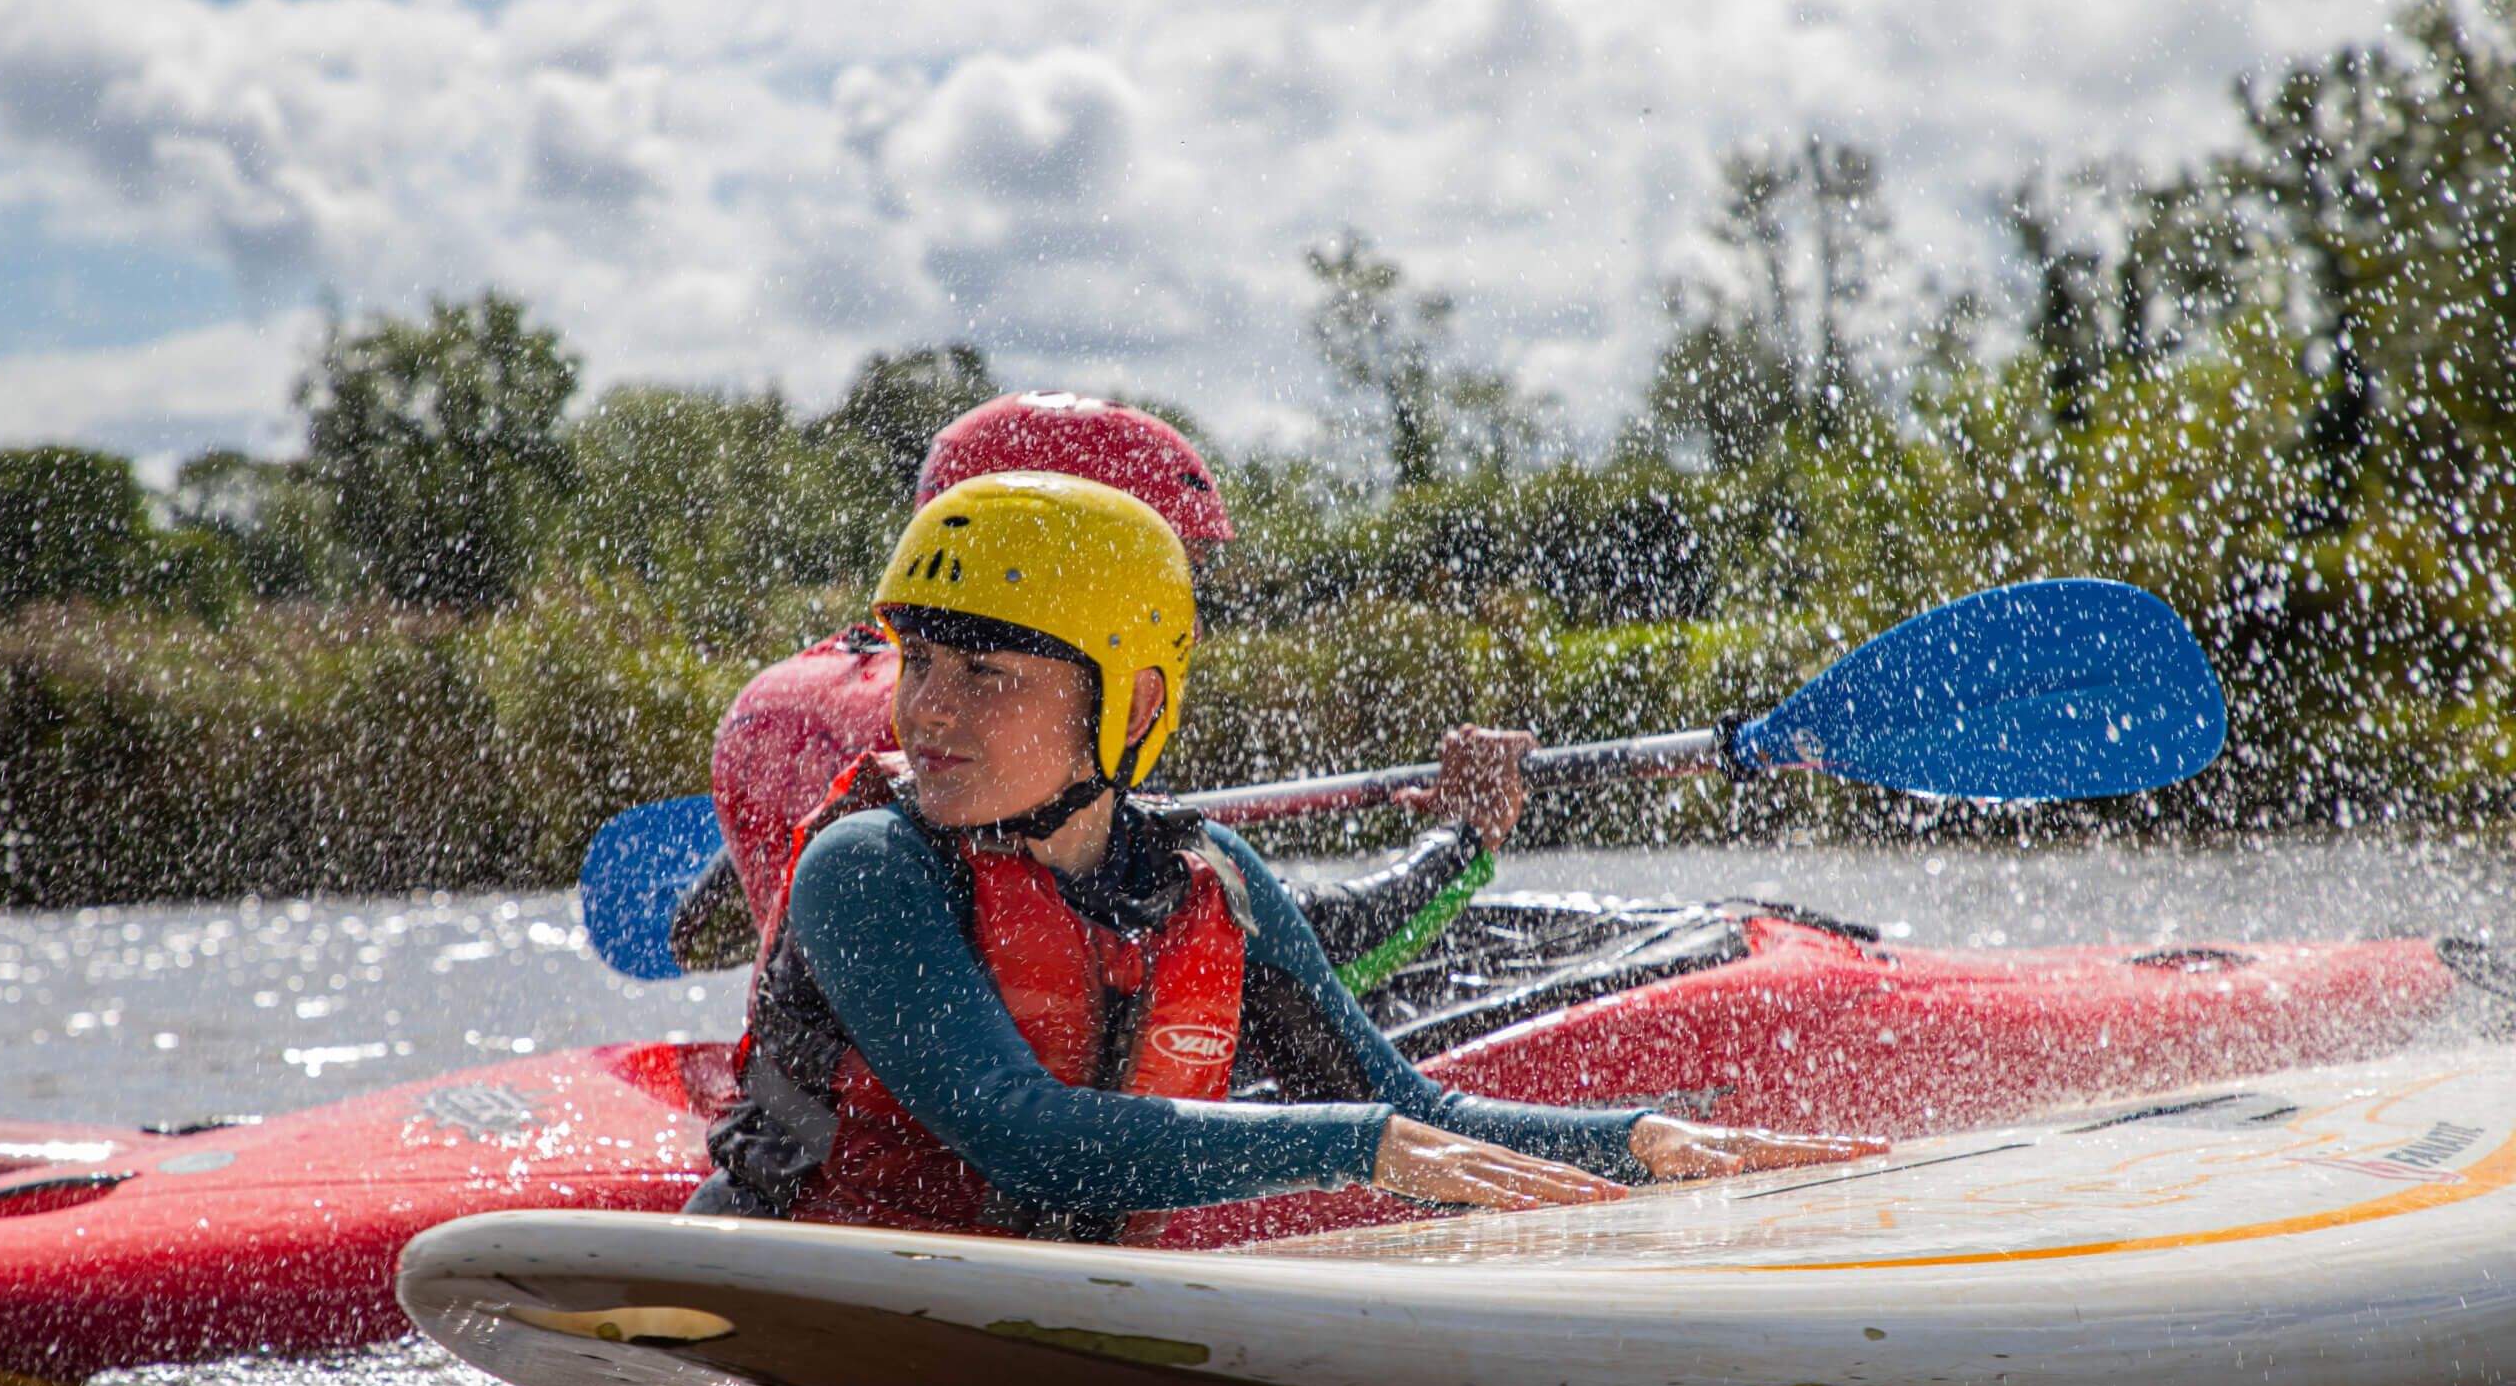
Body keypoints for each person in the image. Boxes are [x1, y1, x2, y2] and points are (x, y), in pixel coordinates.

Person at [684, 472, 1880, 1246]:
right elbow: (1019, 1129)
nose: (926, 712)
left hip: (1024, 1312)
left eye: (985, 675)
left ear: (1130, 699)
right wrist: (1350, 1147)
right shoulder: (867, 868)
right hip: (802, 1290)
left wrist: (1637, 1141)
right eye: (917, 663)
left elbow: (1409, 1112)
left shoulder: (1219, 889)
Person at [671, 390, 1529, 987]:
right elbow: (1297, 955)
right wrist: (1461, 840)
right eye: (1161, 566)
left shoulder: (783, 697)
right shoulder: (1014, 726)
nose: (1182, 609)